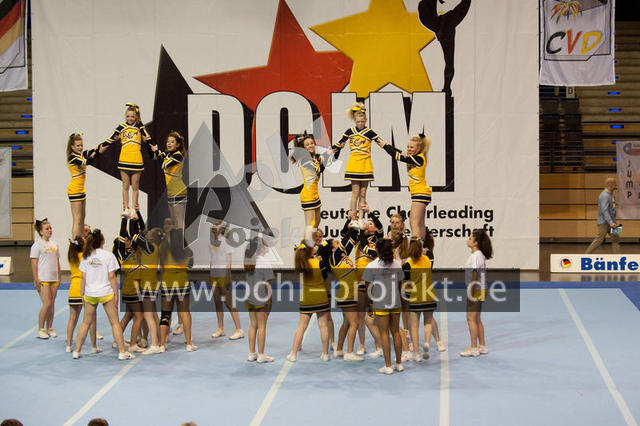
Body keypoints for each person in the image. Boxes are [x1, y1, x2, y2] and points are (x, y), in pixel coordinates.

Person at [73, 229, 134, 360]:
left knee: (85, 323)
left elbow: (83, 277)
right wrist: (116, 293)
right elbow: (112, 276)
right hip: (105, 292)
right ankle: (122, 352)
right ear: (102, 241)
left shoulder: (86, 256)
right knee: (114, 323)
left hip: (90, 293)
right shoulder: (108, 256)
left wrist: (82, 293)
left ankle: (77, 351)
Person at [332, 103, 385, 226]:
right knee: (355, 193)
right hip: (354, 164)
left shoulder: (369, 132)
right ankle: (353, 218)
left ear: (366, 120)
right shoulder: (350, 131)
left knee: (363, 193)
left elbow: (382, 142)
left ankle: (361, 219)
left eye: (362, 121)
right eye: (358, 121)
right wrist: (330, 150)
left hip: (366, 164)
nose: (360, 123)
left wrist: (393, 150)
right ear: (354, 121)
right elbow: (339, 143)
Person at [320, 219, 363, 361]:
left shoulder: (341, 255)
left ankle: (339, 350)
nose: (340, 244)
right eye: (336, 243)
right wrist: (351, 227)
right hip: (347, 293)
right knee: (354, 323)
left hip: (349, 291)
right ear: (333, 249)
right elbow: (346, 240)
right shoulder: (334, 257)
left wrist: (354, 227)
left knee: (347, 323)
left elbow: (350, 242)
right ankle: (349, 352)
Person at [362, 239, 405, 374]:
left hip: (381, 303)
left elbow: (368, 288)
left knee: (384, 334)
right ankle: (399, 363)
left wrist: (369, 305)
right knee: (396, 332)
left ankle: (388, 366)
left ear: (377, 250)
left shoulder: (371, 266)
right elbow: (400, 285)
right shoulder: (397, 264)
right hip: (395, 302)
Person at [378, 134, 432, 239]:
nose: (409, 149)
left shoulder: (419, 159)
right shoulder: (414, 157)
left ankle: (416, 245)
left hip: (420, 193)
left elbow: (397, 156)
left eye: (412, 147)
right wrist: (386, 144)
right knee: (420, 223)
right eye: (408, 147)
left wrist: (384, 146)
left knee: (413, 222)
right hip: (421, 193)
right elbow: (398, 152)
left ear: (419, 148)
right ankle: (421, 245)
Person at [103, 103, 152, 219]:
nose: (130, 118)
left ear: (136, 117)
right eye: (128, 116)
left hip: (136, 160)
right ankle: (126, 208)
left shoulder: (139, 126)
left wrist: (151, 144)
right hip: (124, 159)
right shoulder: (121, 126)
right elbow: (112, 138)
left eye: (132, 116)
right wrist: (101, 147)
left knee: (135, 186)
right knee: (125, 185)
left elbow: (147, 138)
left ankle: (134, 209)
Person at [286, 242, 332, 362]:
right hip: (321, 297)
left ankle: (293, 354)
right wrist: (328, 295)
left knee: (301, 327)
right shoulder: (319, 263)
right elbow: (325, 279)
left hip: (307, 299)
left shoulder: (301, 264)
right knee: (323, 326)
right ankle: (325, 354)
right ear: (310, 251)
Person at [159, 228, 197, 352]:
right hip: (182, 283)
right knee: (185, 312)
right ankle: (189, 343)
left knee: (165, 314)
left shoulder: (164, 249)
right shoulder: (187, 251)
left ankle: (162, 344)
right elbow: (190, 265)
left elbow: (161, 266)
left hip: (168, 283)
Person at [290, 133, 330, 244]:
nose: (311, 145)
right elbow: (317, 170)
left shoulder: (313, 157)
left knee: (317, 221)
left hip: (315, 193)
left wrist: (331, 153)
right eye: (307, 144)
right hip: (308, 194)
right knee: (310, 224)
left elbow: (321, 169)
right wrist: (325, 157)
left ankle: (311, 244)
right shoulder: (304, 159)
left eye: (312, 143)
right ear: (303, 148)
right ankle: (304, 248)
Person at [354, 214, 384, 357]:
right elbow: (345, 232)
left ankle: (379, 345)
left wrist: (370, 213)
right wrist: (354, 218)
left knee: (373, 316)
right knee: (360, 316)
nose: (368, 224)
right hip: (359, 282)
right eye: (366, 223)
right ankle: (362, 344)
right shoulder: (358, 239)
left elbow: (381, 228)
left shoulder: (378, 241)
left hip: (373, 283)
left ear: (375, 229)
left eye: (371, 224)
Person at [66, 133, 106, 237]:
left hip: (81, 189)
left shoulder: (82, 155)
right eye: (78, 146)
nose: (80, 147)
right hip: (74, 190)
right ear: (72, 147)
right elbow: (87, 162)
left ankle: (81, 239)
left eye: (81, 145)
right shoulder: (72, 157)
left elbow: (96, 149)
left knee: (82, 218)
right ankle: (75, 242)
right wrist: (96, 154)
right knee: (77, 219)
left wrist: (110, 141)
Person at [209, 221, 244, 340]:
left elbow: (229, 261)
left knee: (229, 303)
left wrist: (228, 277)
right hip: (214, 276)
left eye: (217, 225)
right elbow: (212, 259)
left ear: (222, 229)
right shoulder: (211, 243)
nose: (214, 226)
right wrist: (210, 274)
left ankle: (239, 330)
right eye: (214, 225)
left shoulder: (226, 242)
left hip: (224, 276)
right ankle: (221, 329)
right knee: (217, 302)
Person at [403, 237, 436, 362]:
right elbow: (430, 254)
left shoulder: (408, 264)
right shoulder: (427, 259)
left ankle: (416, 353)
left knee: (414, 326)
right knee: (428, 322)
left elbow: (406, 281)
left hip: (415, 297)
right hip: (429, 295)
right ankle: (427, 341)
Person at [460, 229, 492, 357]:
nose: (468, 240)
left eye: (470, 238)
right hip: (480, 289)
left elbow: (475, 274)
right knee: (477, 318)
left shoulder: (476, 255)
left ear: (475, 243)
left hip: (476, 290)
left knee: (471, 318)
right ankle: (482, 346)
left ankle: (474, 348)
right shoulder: (477, 255)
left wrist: (470, 292)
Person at [66, 236, 100, 353]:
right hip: (84, 289)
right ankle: (94, 346)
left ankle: (69, 345)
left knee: (72, 319)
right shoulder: (86, 257)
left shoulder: (71, 256)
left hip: (73, 289)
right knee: (91, 319)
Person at [244, 238, 274, 363]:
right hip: (261, 298)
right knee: (262, 326)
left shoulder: (249, 261)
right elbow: (267, 285)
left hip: (250, 297)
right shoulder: (265, 262)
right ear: (262, 248)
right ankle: (261, 354)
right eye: (266, 245)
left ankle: (251, 353)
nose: (268, 247)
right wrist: (269, 301)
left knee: (253, 325)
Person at [30, 219, 60, 339]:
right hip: (43, 278)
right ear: (41, 232)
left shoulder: (55, 244)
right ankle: (41, 329)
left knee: (52, 304)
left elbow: (57, 261)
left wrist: (59, 277)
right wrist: (36, 278)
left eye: (50, 228)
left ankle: (50, 327)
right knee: (47, 303)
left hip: (54, 278)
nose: (50, 230)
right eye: (47, 229)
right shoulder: (37, 245)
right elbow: (34, 262)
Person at [150, 131, 187, 230]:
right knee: (174, 221)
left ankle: (181, 240)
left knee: (179, 220)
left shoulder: (178, 156)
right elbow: (155, 157)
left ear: (178, 144)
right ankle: (177, 239)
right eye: (168, 141)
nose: (169, 144)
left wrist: (156, 151)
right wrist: (150, 145)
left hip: (178, 190)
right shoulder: (168, 154)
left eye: (172, 142)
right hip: (171, 190)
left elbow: (163, 165)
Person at [423, 233, 446, 353]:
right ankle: (411, 343)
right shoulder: (413, 254)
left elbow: (427, 269)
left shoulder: (428, 254)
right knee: (412, 319)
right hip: (412, 287)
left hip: (425, 288)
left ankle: (438, 341)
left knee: (429, 317)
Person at [586, 177, 620, 254]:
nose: (616, 186)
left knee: (616, 238)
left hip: (613, 222)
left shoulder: (611, 194)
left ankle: (617, 256)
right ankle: (586, 255)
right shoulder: (604, 195)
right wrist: (611, 222)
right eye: (615, 184)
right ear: (611, 185)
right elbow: (605, 210)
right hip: (604, 223)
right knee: (599, 240)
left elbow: (612, 206)